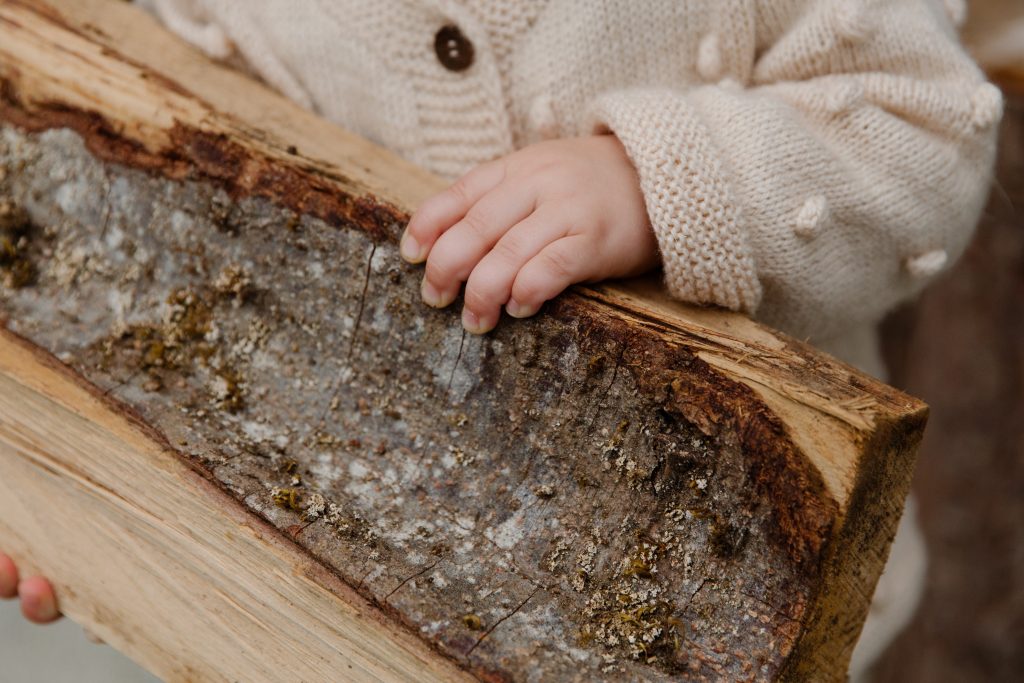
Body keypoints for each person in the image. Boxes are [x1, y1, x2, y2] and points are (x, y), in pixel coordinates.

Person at [1, 0, 1002, 677]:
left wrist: (664, 184)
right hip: (332, 587)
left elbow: (926, 134)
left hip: (706, 593)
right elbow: (135, 132)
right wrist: (63, 481)